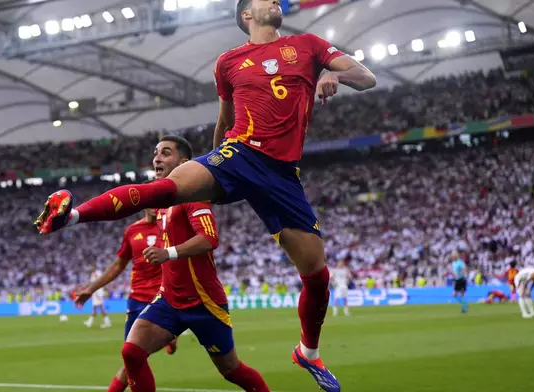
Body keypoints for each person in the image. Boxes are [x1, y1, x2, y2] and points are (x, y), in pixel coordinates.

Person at [34, 1, 375, 390]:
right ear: (246, 15)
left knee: (317, 275)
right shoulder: (228, 62)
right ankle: (72, 215)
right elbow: (225, 120)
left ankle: (308, 353)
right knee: (166, 189)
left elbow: (367, 78)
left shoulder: (309, 46)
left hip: (281, 175)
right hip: (240, 152)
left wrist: (330, 76)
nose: (275, 1)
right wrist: (213, 164)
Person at [125, 136, 269, 391]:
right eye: (156, 152)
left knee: (231, 370)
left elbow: (209, 238)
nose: (157, 158)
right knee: (132, 352)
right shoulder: (161, 204)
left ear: (184, 163)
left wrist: (167, 253)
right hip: (169, 299)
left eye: (165, 153)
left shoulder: (193, 197)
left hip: (203, 302)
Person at [73, 207, 177, 392]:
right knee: (131, 360)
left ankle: (166, 336)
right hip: (138, 300)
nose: (155, 207)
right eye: (152, 203)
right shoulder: (132, 231)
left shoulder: (172, 226)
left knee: (136, 357)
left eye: (159, 202)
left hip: (163, 299)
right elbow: (118, 265)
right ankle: (166, 338)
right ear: (145, 205)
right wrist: (91, 289)